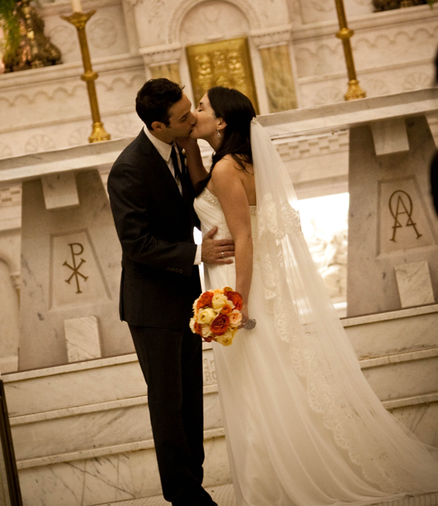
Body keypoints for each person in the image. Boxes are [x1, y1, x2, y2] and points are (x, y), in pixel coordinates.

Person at [183, 86, 438, 506]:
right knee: (264, 380)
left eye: (202, 108)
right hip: (243, 283)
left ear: (223, 120)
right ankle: (276, 475)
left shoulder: (227, 169)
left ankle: (269, 486)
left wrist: (234, 303)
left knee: (254, 384)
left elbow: (243, 238)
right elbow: (201, 189)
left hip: (237, 284)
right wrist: (190, 139)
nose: (195, 114)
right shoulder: (233, 163)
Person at [107, 78, 234, 506]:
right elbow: (136, 243)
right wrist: (198, 252)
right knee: (167, 402)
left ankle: (192, 484)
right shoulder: (129, 168)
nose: (191, 118)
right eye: (182, 117)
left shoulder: (182, 147)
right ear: (158, 125)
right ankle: (183, 494)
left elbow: (194, 205)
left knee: (190, 400)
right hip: (151, 304)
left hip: (185, 296)